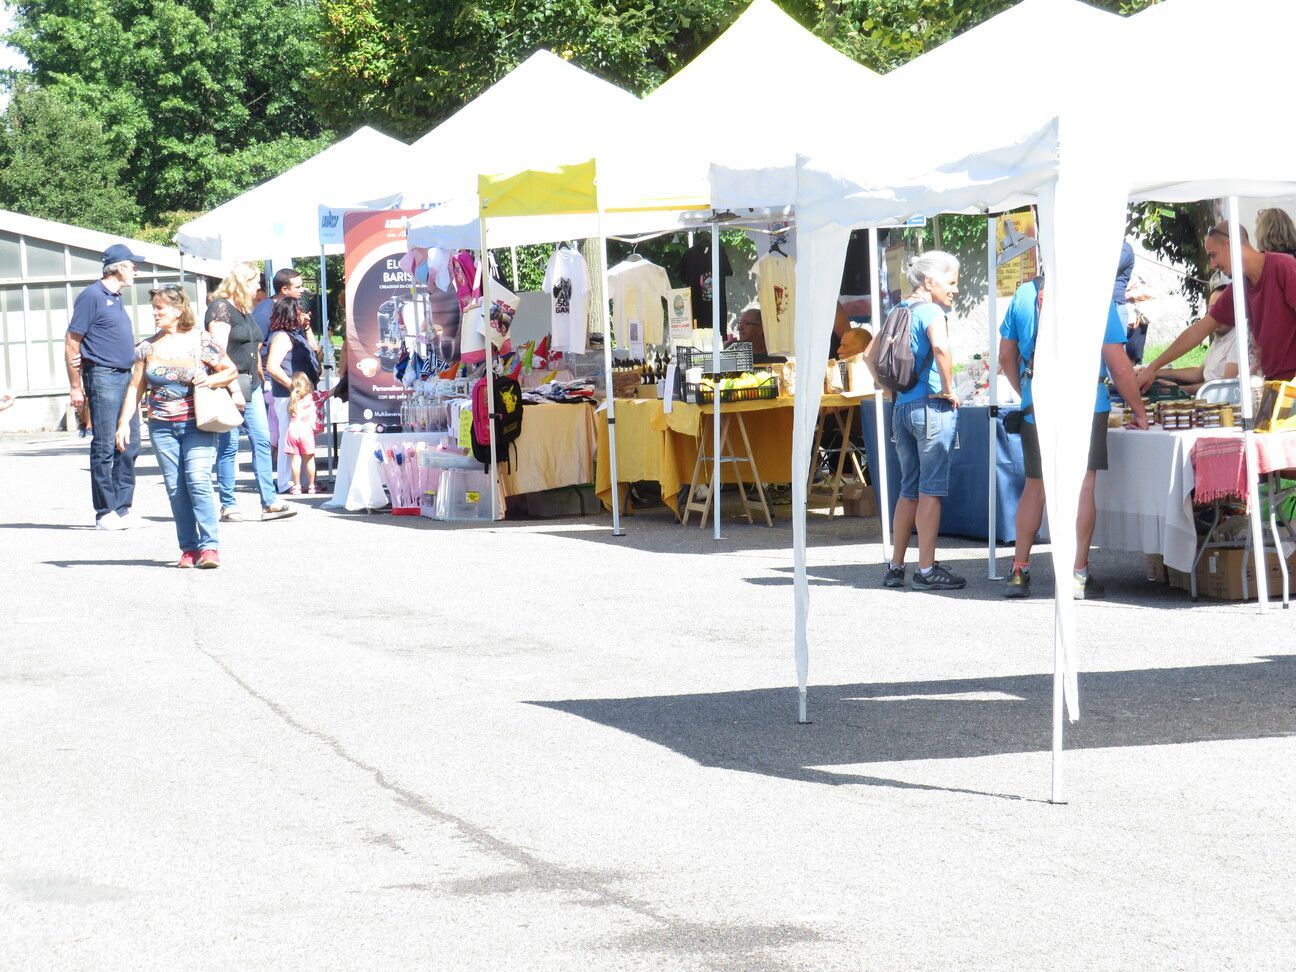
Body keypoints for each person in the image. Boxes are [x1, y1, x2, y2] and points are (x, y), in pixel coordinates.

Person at [999, 277, 1149, 600]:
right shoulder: (1093, 289)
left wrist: (1026, 392)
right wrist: (1139, 411)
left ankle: (1019, 570)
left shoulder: (1024, 293)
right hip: (1086, 402)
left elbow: (1005, 355)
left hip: (1038, 403)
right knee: (1083, 485)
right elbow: (1118, 363)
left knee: (1035, 485)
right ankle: (1078, 573)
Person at [115, 286, 238, 568]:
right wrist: (123, 424)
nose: (155, 313)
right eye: (154, 308)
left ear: (179, 309)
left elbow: (230, 370)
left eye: (160, 308)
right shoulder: (146, 347)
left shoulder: (200, 340)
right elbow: (135, 387)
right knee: (176, 487)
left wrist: (210, 380)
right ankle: (189, 548)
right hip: (161, 426)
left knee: (197, 480)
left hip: (197, 424)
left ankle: (209, 547)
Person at [875, 252, 966, 592]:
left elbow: (870, 355)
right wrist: (949, 389)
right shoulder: (931, 312)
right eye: (951, 282)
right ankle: (926, 569)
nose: (955, 289)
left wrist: (892, 389)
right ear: (929, 282)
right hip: (930, 407)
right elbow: (940, 348)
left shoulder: (897, 310)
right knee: (930, 490)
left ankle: (896, 566)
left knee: (908, 489)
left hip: (901, 408)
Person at [1138, 222, 1296, 389]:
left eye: (1213, 255)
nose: (1213, 265)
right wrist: (1152, 368)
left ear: (1230, 243)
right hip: (1275, 385)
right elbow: (1198, 330)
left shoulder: (1283, 266)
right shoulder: (1238, 287)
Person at [65, 242, 147, 530]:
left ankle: (123, 508)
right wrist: (76, 386)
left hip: (126, 377)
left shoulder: (116, 297)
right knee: (104, 445)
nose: (136, 270)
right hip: (103, 376)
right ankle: (105, 512)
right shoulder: (92, 296)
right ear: (119, 267)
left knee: (129, 442)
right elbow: (72, 341)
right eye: (132, 265)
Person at [205, 262, 296, 523]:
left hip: (252, 383)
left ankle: (269, 501)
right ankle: (228, 504)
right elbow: (216, 352)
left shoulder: (244, 309)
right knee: (229, 444)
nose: (259, 288)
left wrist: (259, 375)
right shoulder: (221, 309)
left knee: (262, 439)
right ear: (243, 282)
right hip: (230, 384)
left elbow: (254, 346)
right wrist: (232, 387)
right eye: (255, 282)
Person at [1147, 279, 1257, 394]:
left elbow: (1226, 387)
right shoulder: (1220, 336)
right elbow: (1200, 373)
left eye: (1221, 310)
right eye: (1212, 309)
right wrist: (1158, 372)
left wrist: (1178, 389)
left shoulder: (1238, 338)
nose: (1216, 315)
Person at [265, 297, 321, 492]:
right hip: (288, 395)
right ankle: (286, 482)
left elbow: (315, 349)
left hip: (300, 394)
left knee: (303, 438)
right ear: (291, 313)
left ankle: (304, 481)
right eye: (299, 312)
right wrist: (294, 388)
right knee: (288, 439)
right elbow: (272, 367)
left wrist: (307, 328)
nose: (303, 315)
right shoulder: (281, 337)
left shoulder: (296, 334)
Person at [284, 373, 327, 494]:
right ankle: (312, 485)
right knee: (309, 460)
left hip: (292, 430)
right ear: (308, 385)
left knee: (295, 460)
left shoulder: (293, 399)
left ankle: (296, 486)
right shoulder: (315, 397)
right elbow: (330, 393)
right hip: (306, 431)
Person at [252, 267, 305, 340]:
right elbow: (257, 343)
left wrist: (307, 327)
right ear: (284, 289)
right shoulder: (263, 311)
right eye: (298, 287)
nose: (302, 290)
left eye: (302, 286)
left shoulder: (295, 308)